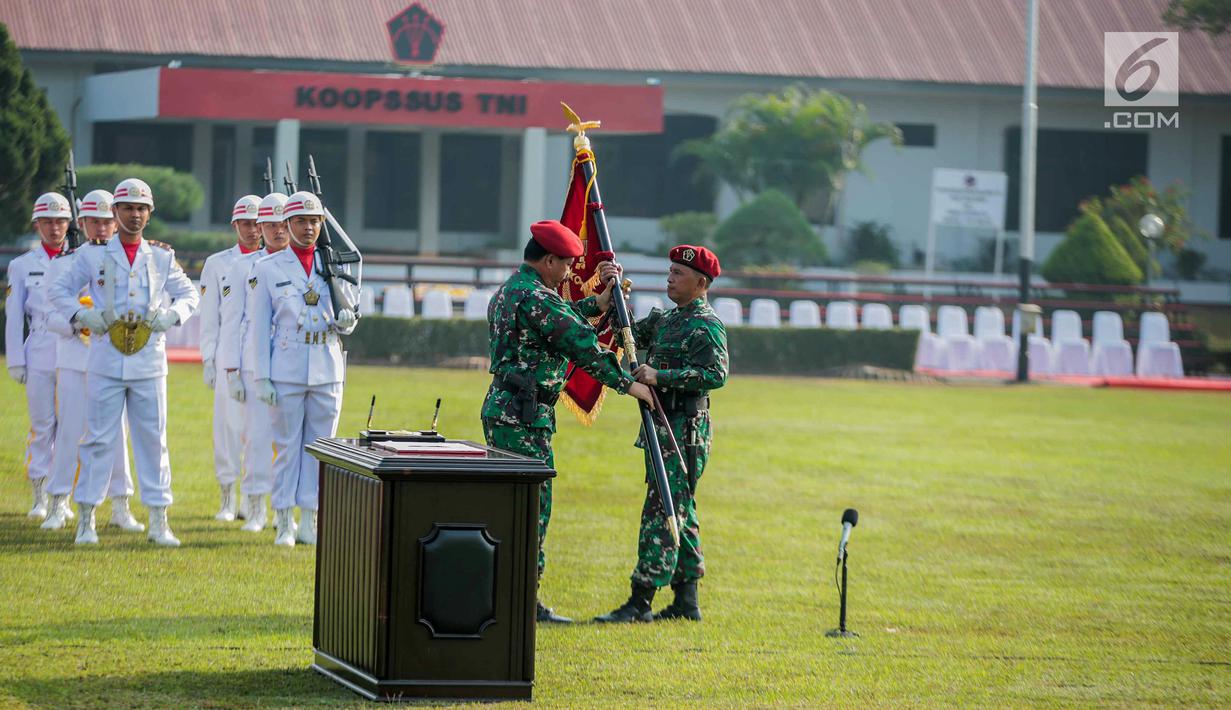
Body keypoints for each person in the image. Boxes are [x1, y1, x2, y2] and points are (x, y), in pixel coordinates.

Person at [482, 219, 656, 624]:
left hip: (510, 411)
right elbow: (579, 344)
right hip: (523, 417)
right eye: (564, 266)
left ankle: (514, 595)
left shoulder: (514, 291)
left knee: (512, 507)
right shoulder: (536, 299)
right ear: (547, 260)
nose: (567, 274)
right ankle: (523, 601)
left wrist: (597, 303)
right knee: (531, 510)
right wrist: (628, 384)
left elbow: (557, 320)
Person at [50, 177, 200, 546]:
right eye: (128, 208)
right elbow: (57, 290)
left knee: (153, 441)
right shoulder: (92, 254)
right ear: (115, 213)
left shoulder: (161, 255)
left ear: (149, 214)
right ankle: (86, 518)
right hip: (105, 356)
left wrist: (172, 315)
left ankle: (158, 521)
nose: (135, 214)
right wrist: (82, 316)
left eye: (141, 208)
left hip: (149, 359)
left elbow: (189, 294)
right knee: (98, 439)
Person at [594, 244, 728, 623]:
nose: (670, 278)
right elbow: (626, 336)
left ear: (701, 283)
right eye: (670, 272)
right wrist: (616, 294)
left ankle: (641, 600)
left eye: (679, 274)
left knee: (663, 507)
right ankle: (687, 601)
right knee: (680, 507)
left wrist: (661, 376)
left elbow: (716, 375)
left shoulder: (706, 324)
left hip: (684, 428)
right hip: (661, 423)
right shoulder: (667, 320)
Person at [247, 191, 358, 547]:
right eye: (300, 221)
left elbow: (351, 314)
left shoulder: (336, 263)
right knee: (286, 446)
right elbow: (259, 326)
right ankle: (283, 520)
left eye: (314, 221)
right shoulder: (267, 268)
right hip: (287, 365)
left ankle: (310, 518)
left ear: (321, 224)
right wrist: (261, 375)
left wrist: (347, 320)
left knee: (320, 447)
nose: (308, 227)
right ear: (287, 225)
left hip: (327, 363)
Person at [41, 190, 141, 532]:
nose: (101, 228)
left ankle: (120, 505)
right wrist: (78, 322)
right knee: (69, 433)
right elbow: (47, 316)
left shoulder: (128, 259)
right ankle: (58, 502)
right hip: (75, 359)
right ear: (81, 224)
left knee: (117, 436)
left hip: (115, 361)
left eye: (106, 221)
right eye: (94, 221)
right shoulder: (65, 263)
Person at [217, 192, 290, 533]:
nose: (278, 231)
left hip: (291, 361)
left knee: (289, 439)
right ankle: (256, 506)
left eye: (282, 223)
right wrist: (230, 370)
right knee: (257, 438)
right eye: (270, 224)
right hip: (251, 363)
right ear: (260, 227)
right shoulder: (241, 267)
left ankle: (285, 509)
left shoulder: (301, 265)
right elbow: (232, 322)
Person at [6, 193, 71, 520]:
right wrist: (16, 360)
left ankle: (63, 497)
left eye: (60, 220)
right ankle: (39, 494)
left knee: (71, 426)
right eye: (48, 221)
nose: (54, 227)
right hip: (40, 347)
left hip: (73, 348)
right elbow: (15, 315)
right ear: (37, 224)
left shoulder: (78, 258)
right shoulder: (22, 265)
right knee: (42, 425)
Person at [199, 194, 263, 521]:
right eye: (246, 224)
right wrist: (209, 360)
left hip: (260, 357)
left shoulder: (273, 260)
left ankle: (257, 502)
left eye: (257, 223)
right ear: (235, 225)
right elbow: (210, 318)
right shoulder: (218, 263)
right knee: (226, 428)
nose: (253, 230)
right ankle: (227, 497)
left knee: (259, 432)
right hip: (228, 354)